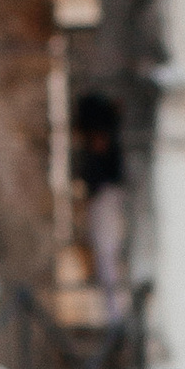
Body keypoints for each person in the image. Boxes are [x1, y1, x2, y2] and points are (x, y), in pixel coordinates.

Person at [72, 84, 131, 329]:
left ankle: (119, 316)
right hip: (105, 196)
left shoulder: (107, 146)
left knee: (111, 256)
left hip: (109, 196)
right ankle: (117, 315)